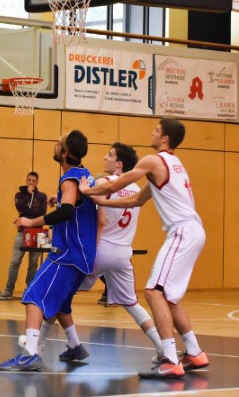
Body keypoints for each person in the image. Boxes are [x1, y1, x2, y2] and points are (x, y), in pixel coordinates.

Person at [80, 118, 209, 380]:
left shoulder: (154, 160)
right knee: (168, 297)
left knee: (153, 291)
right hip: (193, 231)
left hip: (182, 231)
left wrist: (87, 190)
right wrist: (100, 198)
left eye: (156, 130)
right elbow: (138, 199)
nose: (152, 132)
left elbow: (117, 183)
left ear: (165, 139)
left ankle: (171, 359)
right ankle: (195, 352)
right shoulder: (174, 164)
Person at [0, 130, 97, 372]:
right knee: (61, 302)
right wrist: (61, 197)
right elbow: (73, 204)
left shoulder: (69, 178)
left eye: (58, 143)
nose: (54, 144)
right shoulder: (84, 174)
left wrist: (32, 222)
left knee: (33, 294)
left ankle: (30, 353)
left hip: (67, 253)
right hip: (83, 253)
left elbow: (66, 212)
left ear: (64, 153)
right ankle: (75, 346)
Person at [76, 142, 164, 360]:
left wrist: (83, 190)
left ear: (119, 164)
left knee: (60, 295)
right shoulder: (136, 188)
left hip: (101, 250)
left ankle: (38, 344)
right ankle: (162, 348)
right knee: (132, 304)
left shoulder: (104, 183)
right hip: (124, 253)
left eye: (109, 155)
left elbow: (99, 220)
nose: (105, 158)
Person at [0, 172, 47, 300]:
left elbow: (42, 213)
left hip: (38, 233)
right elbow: (20, 208)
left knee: (33, 263)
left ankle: (30, 289)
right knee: (15, 261)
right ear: (26, 180)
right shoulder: (19, 195)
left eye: (34, 180)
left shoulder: (42, 196)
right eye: (29, 180)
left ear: (37, 182)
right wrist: (28, 197)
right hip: (22, 232)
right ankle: (8, 290)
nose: (31, 182)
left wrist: (26, 215)